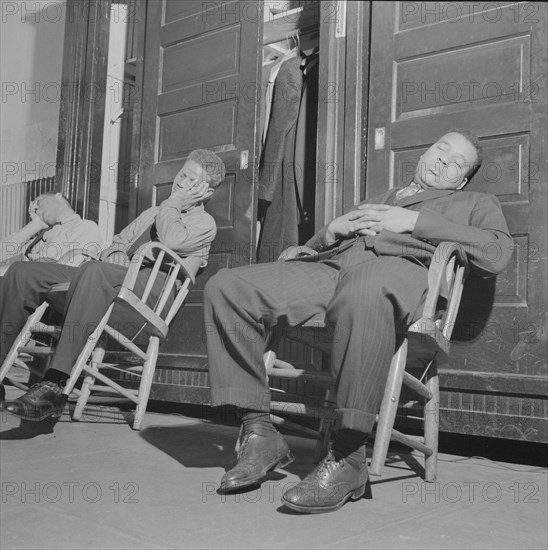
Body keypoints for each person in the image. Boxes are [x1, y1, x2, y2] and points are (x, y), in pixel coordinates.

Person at [203, 130, 513, 514]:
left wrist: (413, 220)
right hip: (334, 270)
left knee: (366, 287)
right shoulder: (381, 198)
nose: (441, 162)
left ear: (462, 180)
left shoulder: (475, 202)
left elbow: (497, 253)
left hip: (401, 272)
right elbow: (319, 245)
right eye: (440, 150)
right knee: (228, 285)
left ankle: (349, 456)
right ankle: (259, 431)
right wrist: (332, 230)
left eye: (455, 164)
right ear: (427, 150)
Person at [1, 149, 226, 420]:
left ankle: (54, 384)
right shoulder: (151, 213)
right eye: (181, 174)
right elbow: (117, 243)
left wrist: (174, 203)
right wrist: (115, 253)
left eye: (190, 181)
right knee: (22, 272)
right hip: (112, 280)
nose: (180, 183)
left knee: (96, 271)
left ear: (206, 191)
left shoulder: (204, 223)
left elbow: (171, 240)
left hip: (148, 295)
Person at [0, 192, 101, 401]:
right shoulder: (39, 236)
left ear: (58, 197)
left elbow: (73, 267)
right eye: (31, 211)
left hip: (58, 299)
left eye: (37, 204)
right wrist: (35, 225)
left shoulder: (85, 226)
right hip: (26, 294)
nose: (34, 211)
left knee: (17, 274)